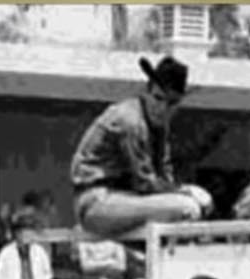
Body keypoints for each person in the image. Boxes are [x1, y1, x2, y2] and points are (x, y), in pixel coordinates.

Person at [70, 56, 214, 239]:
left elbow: (163, 175)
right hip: (97, 202)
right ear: (147, 92)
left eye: (171, 103)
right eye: (158, 98)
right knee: (188, 208)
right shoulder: (131, 120)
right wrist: (184, 191)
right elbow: (145, 183)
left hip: (124, 199)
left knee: (192, 207)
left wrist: (179, 191)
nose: (162, 108)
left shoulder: (159, 126)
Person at [0, 195, 54, 279]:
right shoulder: (6, 253)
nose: (24, 236)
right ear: (16, 234)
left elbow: (48, 276)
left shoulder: (40, 252)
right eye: (20, 232)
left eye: (27, 232)